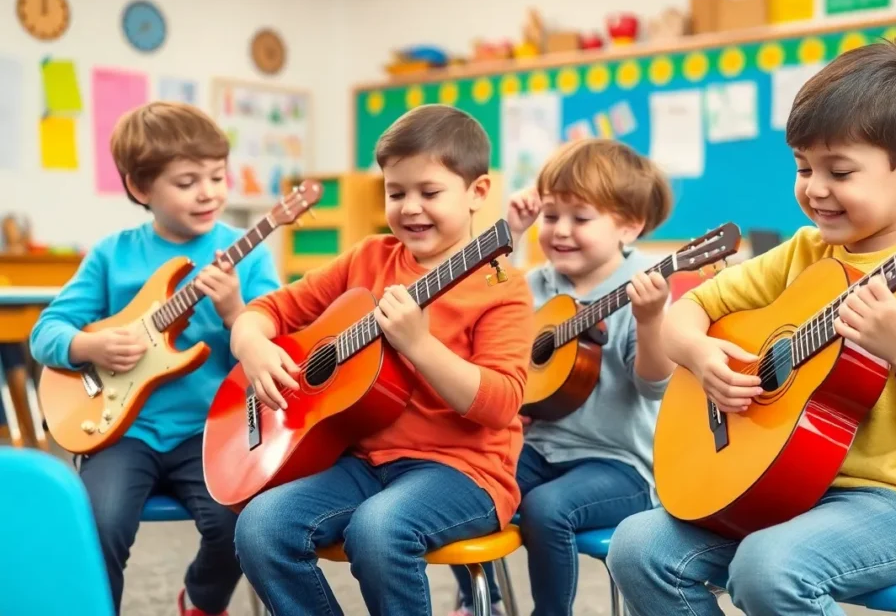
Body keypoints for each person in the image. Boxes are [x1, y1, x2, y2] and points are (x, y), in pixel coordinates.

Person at [606, 40, 896, 615]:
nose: (814, 188)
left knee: (767, 569)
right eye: (804, 167)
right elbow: (688, 312)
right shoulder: (804, 251)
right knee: (638, 546)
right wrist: (703, 358)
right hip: (787, 485)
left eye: (840, 170)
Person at [230, 104, 535, 616]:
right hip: (365, 462)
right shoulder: (369, 258)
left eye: (429, 192)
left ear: (478, 192)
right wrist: (254, 347)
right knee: (261, 526)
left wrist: (419, 345)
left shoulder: (502, 288)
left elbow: (500, 404)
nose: (410, 208)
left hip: (466, 473)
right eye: (396, 193)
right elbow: (266, 310)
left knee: (378, 529)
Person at [29, 101, 281, 616]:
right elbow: (44, 332)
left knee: (239, 521)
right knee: (97, 526)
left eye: (217, 175)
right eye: (187, 181)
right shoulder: (111, 255)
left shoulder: (246, 253)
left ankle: (202, 600)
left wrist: (234, 309)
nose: (209, 192)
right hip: (123, 431)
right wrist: (88, 347)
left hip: (211, 432)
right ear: (142, 189)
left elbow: (281, 337)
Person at [449, 138, 677, 616]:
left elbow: (654, 385)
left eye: (581, 218)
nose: (561, 231)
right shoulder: (534, 282)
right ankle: (478, 595)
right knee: (456, 478)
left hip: (619, 464)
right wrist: (508, 232)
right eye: (551, 216)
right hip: (540, 448)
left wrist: (651, 320)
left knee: (547, 509)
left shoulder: (645, 289)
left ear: (628, 226)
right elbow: (473, 302)